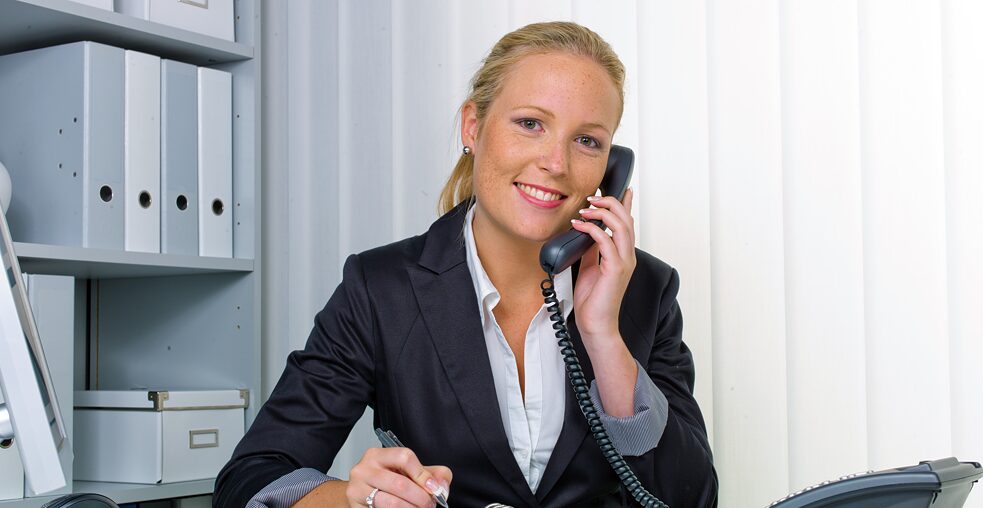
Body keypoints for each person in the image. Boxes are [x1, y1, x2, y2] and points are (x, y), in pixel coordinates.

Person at [214, 21, 717, 508]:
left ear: (610, 167)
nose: (557, 163)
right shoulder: (381, 290)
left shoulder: (645, 288)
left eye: (587, 140)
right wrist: (354, 502)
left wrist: (603, 336)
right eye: (530, 124)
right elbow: (251, 479)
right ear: (473, 127)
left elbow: (692, 498)